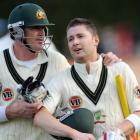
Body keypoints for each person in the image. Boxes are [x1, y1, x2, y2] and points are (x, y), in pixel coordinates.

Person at [0, 2, 121, 140]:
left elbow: (84, 86)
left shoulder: (57, 61)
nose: (42, 33)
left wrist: (103, 61)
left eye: (43, 27)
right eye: (35, 27)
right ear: (16, 31)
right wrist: (8, 112)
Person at [34, 18, 140, 140]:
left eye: (80, 36)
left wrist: (117, 132)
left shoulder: (120, 70)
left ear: (96, 40)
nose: (75, 42)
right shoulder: (60, 80)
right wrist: (74, 134)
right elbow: (40, 117)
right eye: (71, 39)